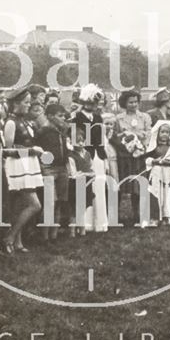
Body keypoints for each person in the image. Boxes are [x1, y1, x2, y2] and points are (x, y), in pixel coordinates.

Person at [2, 88, 44, 255]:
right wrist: (31, 150)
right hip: (18, 166)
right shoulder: (11, 122)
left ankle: (18, 242)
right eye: (26, 102)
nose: (28, 105)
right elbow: (7, 151)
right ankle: (9, 237)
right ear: (16, 103)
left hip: (28, 165)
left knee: (20, 206)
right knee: (35, 205)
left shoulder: (24, 121)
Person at [70, 84, 108, 233]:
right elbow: (74, 139)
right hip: (84, 156)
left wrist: (104, 158)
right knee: (86, 189)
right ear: (84, 102)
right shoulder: (77, 118)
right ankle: (85, 223)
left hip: (98, 156)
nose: (92, 105)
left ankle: (100, 223)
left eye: (95, 103)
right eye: (90, 102)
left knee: (99, 188)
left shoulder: (98, 117)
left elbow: (101, 140)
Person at [114, 89, 152, 224]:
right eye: (131, 102)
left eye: (136, 102)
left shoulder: (145, 117)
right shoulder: (118, 118)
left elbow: (149, 134)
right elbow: (115, 136)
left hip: (140, 157)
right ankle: (117, 215)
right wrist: (126, 139)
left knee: (139, 186)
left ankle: (138, 214)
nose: (134, 104)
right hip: (125, 156)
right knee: (124, 186)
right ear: (124, 103)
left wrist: (142, 146)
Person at [34, 103, 70, 243]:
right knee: (50, 202)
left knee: (59, 201)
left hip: (62, 168)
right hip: (48, 168)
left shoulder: (63, 130)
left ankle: (53, 235)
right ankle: (44, 235)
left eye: (63, 116)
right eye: (60, 116)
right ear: (50, 116)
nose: (63, 118)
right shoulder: (43, 131)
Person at [144, 120, 170, 225]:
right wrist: (154, 161)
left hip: (168, 173)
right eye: (162, 132)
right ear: (158, 133)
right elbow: (147, 159)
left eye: (167, 132)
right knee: (156, 193)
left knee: (169, 193)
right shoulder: (154, 147)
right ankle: (155, 217)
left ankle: (169, 216)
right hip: (157, 172)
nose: (164, 134)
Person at [67, 128, 94, 237]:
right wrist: (88, 174)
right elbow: (73, 174)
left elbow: (91, 167)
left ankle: (82, 230)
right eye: (77, 141)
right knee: (74, 208)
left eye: (82, 140)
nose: (81, 143)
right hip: (75, 185)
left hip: (86, 184)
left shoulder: (87, 154)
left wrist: (91, 173)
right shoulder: (71, 156)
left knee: (83, 207)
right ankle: (72, 231)